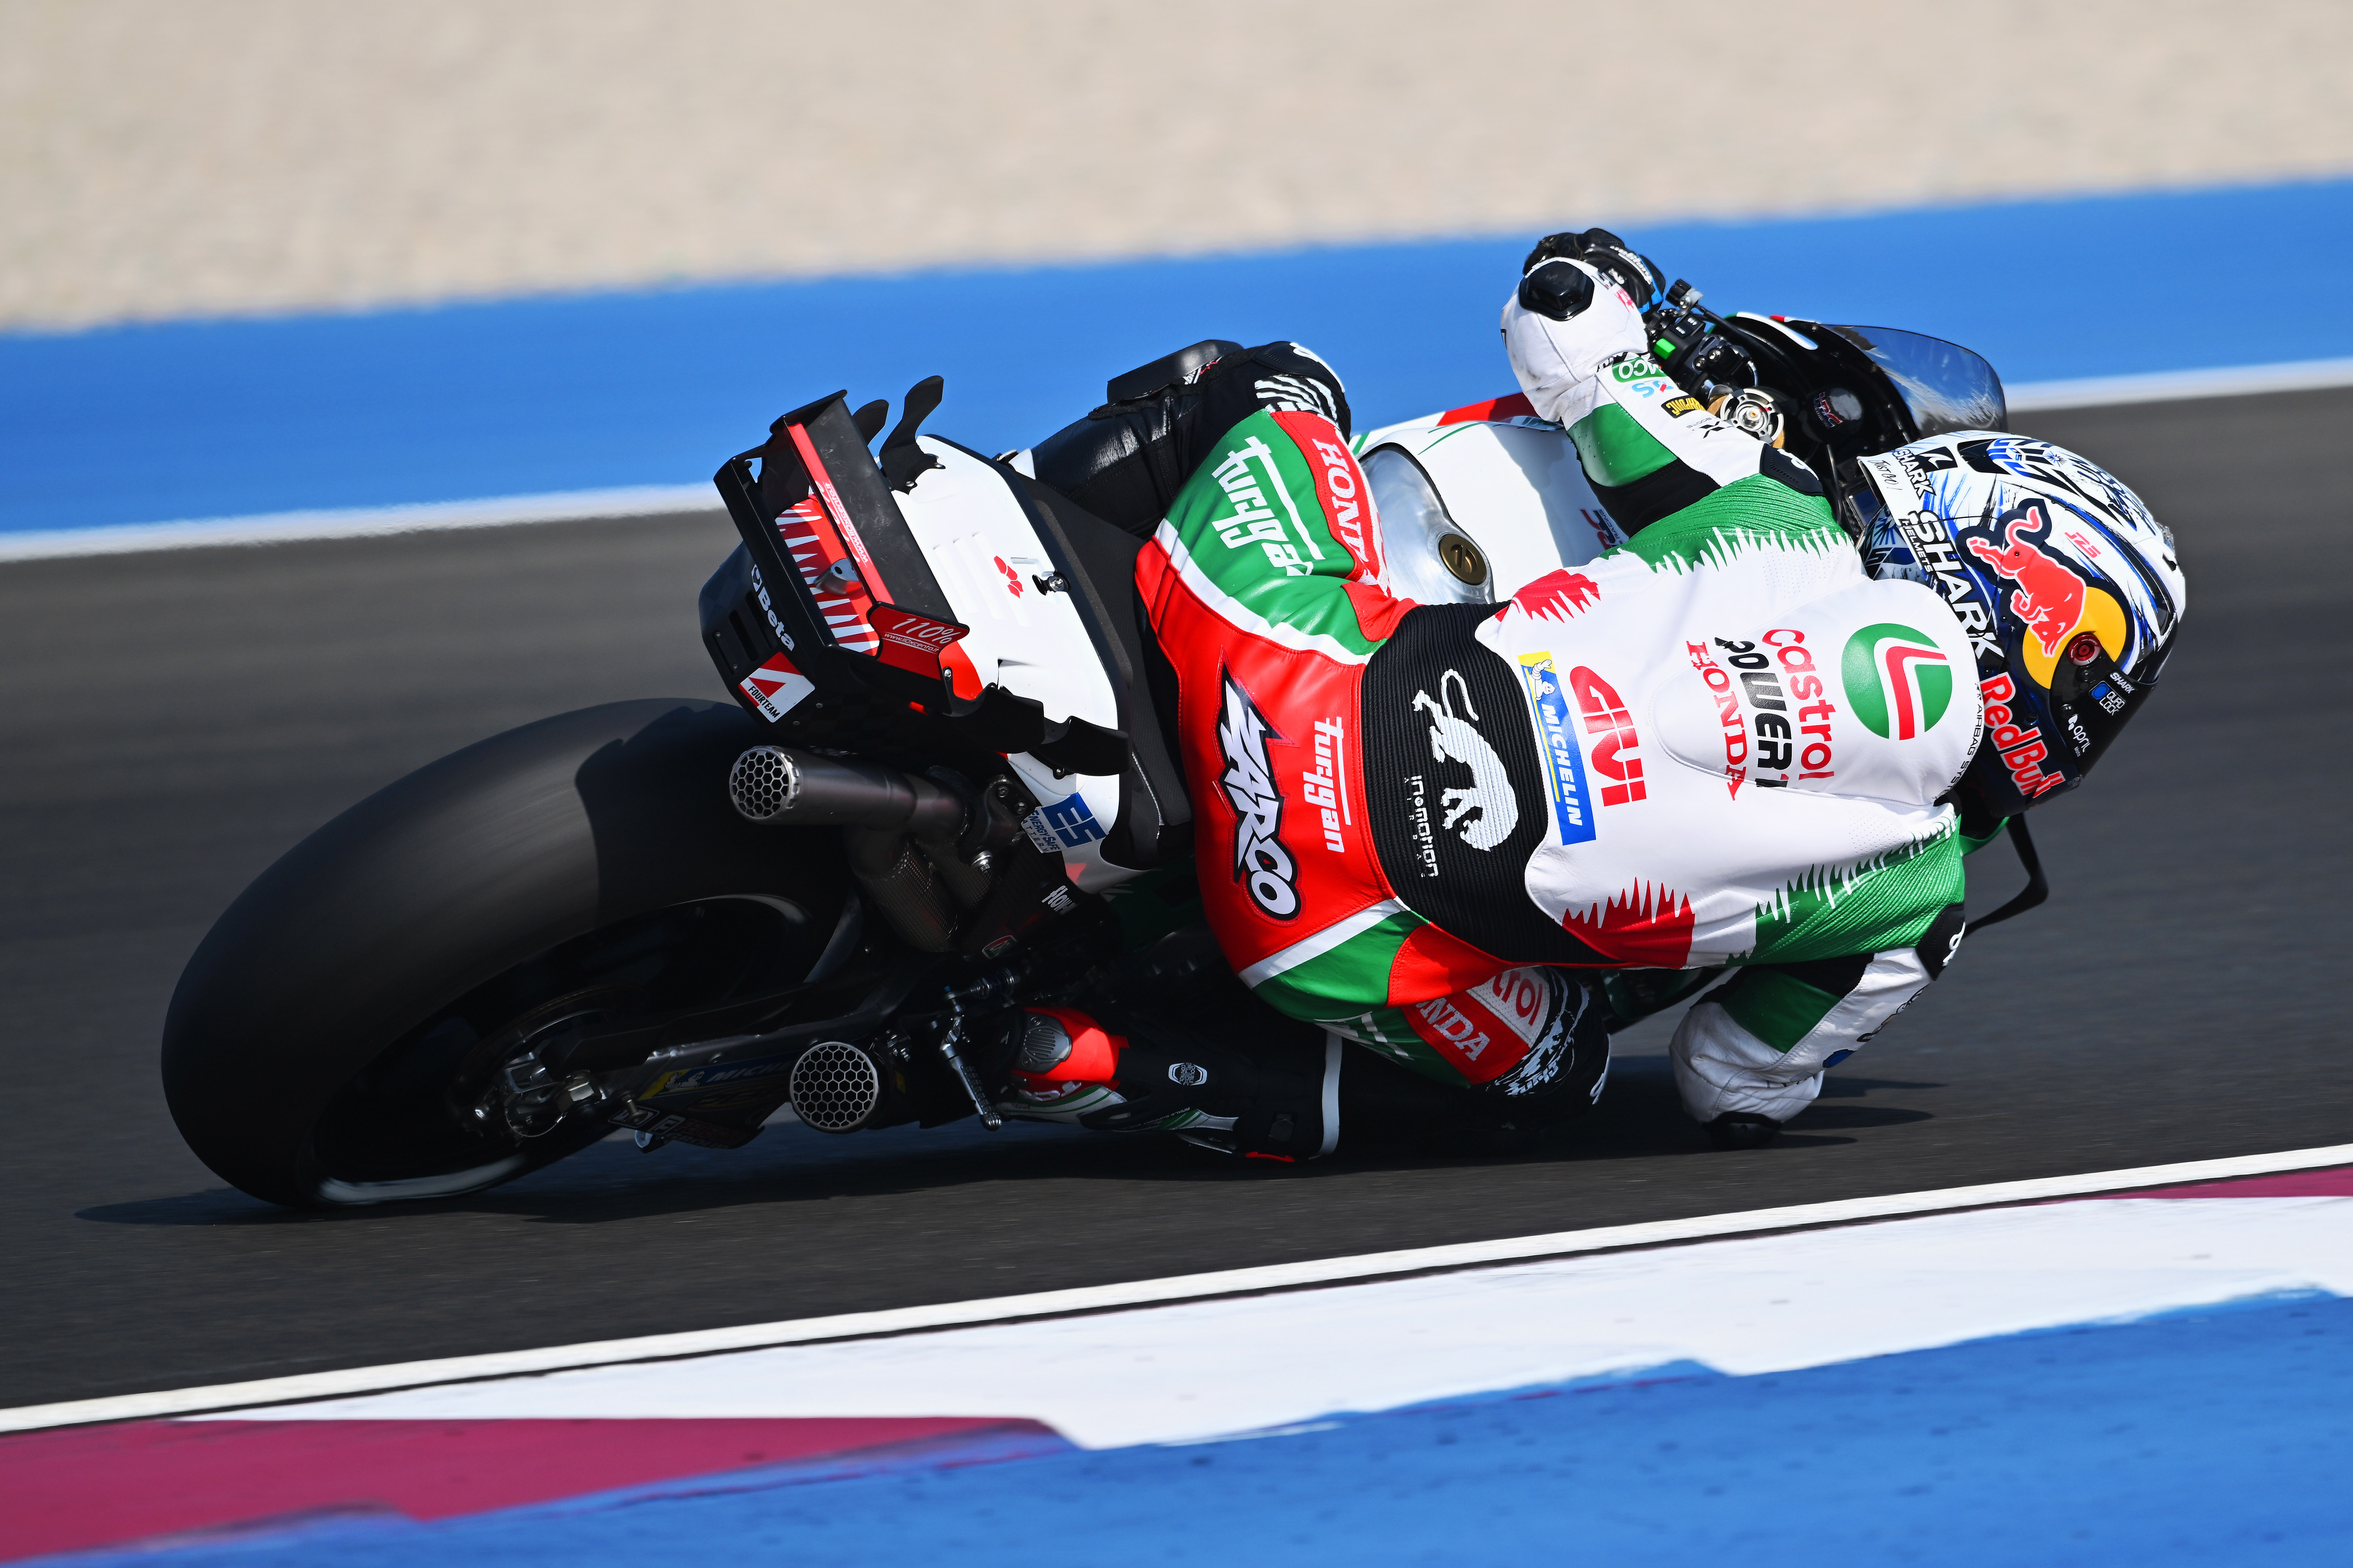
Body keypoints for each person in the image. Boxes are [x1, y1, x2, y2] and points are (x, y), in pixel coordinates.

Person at [1006, 230, 2186, 1157]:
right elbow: (1731, 1081)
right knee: (1558, 1070)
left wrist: (1602, 281)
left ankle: (1003, 519)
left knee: (1277, 380)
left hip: (1266, 657)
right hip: (1322, 933)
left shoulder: (1781, 518)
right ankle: (1103, 1063)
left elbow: (1565, 332)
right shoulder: (1920, 902)